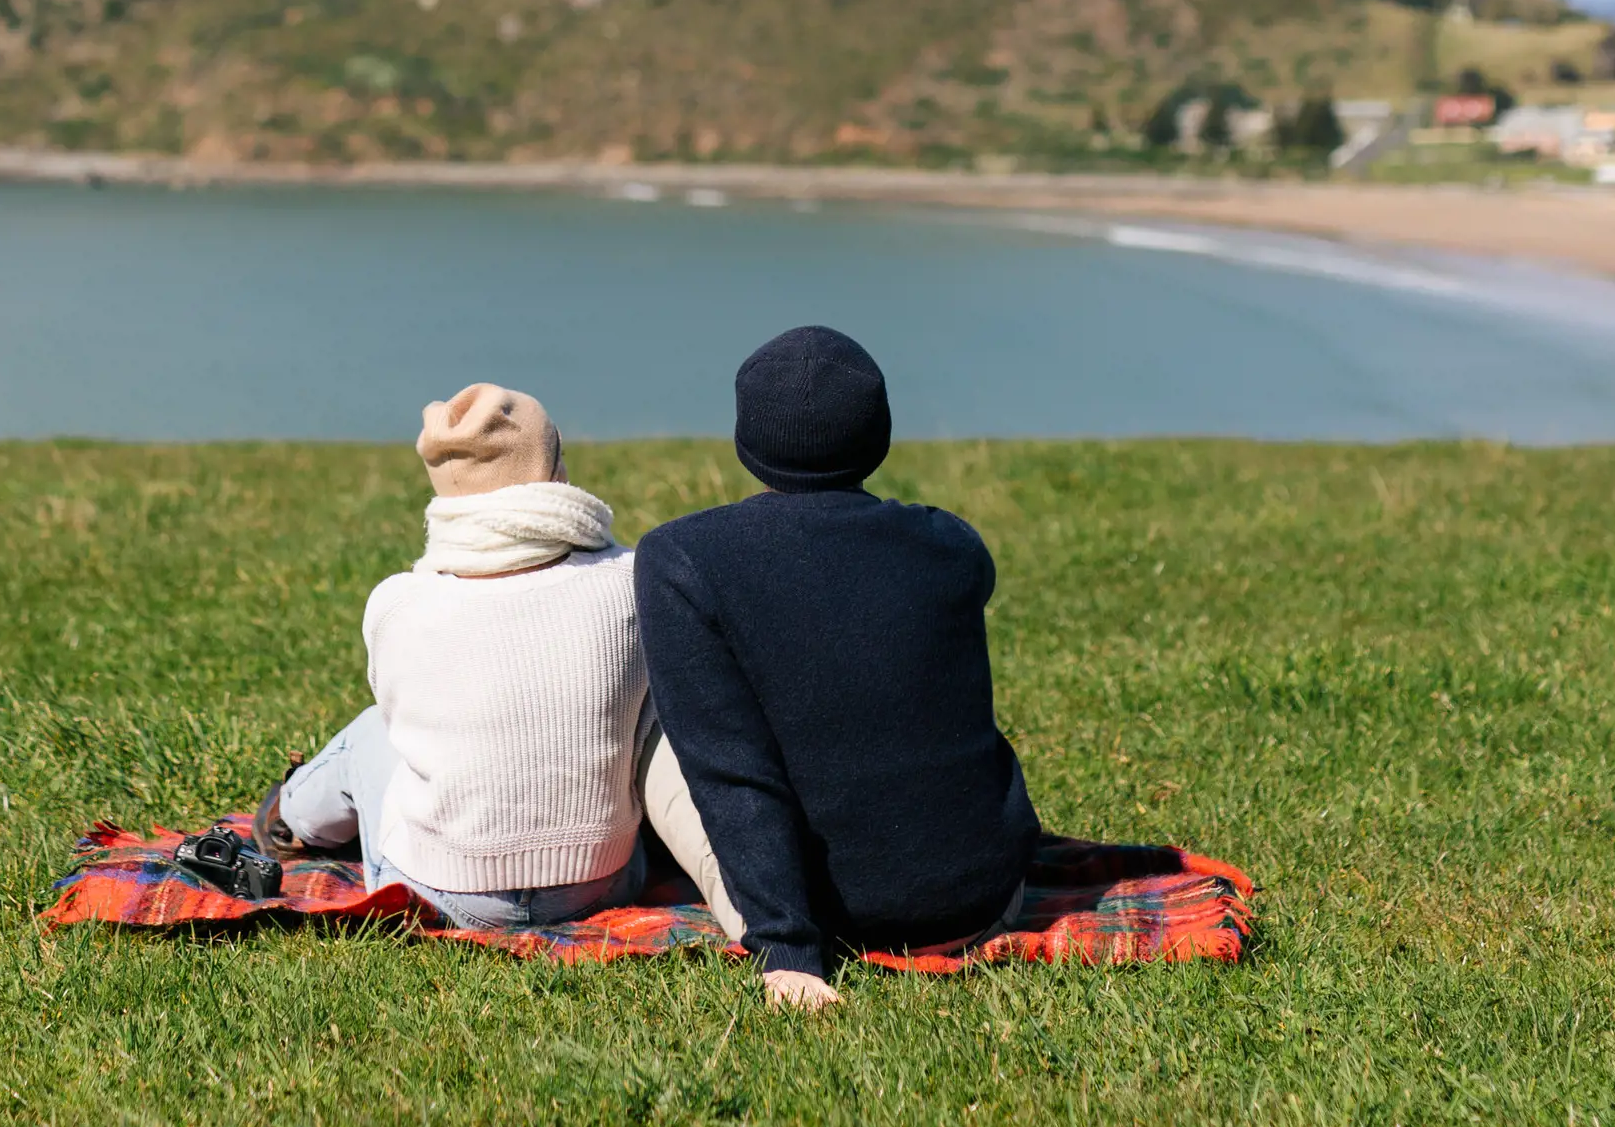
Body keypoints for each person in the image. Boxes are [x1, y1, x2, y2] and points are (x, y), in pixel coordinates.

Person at [636, 325, 1040, 1009]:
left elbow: (731, 769)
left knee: (667, 736)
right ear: (878, 436)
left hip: (834, 917)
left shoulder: (681, 558)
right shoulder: (950, 541)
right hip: (986, 898)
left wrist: (787, 948)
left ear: (746, 439)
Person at [253, 383, 654, 930]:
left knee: (372, 732)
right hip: (601, 883)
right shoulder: (631, 582)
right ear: (553, 467)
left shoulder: (400, 602)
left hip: (439, 895)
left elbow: (402, 722)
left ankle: (295, 817)